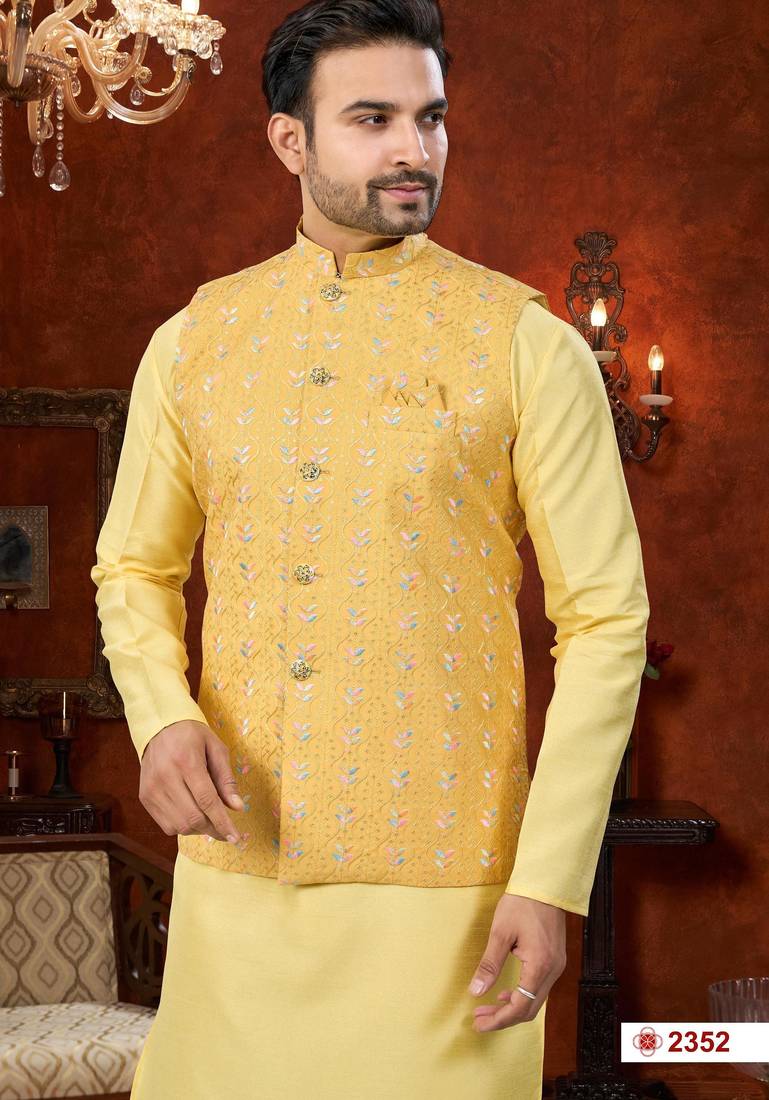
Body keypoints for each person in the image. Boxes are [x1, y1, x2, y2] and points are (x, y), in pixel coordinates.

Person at [90, 1, 650, 1097]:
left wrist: (549, 878)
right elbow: (136, 569)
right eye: (372, 118)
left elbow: (604, 620)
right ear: (289, 141)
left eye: (430, 117)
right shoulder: (195, 341)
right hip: (238, 878)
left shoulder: (524, 344)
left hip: (452, 894)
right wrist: (159, 716)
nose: (413, 148)